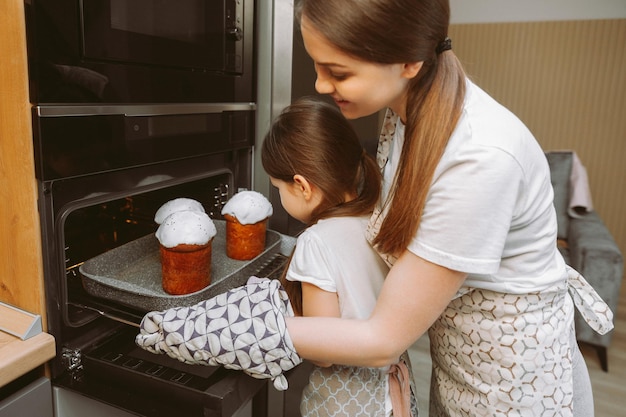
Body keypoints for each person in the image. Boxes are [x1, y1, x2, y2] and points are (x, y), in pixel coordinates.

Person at [280, 1, 614, 416]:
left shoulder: (479, 157)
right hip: (458, 362)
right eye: (318, 66)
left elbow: (382, 339)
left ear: (409, 61)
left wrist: (244, 329)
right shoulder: (402, 114)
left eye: (339, 73)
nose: (320, 85)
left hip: (516, 386)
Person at [261, 96, 418, 417]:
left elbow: (324, 351)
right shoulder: (379, 220)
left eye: (278, 186)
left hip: (346, 404)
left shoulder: (315, 243)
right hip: (395, 395)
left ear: (302, 186)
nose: (279, 195)